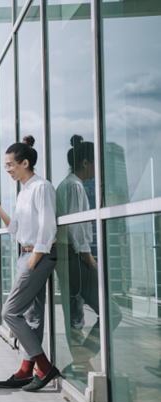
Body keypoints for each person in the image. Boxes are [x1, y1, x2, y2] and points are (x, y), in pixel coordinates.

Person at [0, 135, 60, 391]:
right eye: (6, 165)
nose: (7, 169)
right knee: (32, 316)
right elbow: (16, 228)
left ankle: (45, 366)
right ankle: (26, 371)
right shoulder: (23, 192)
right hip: (26, 254)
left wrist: (35, 257)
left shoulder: (42, 187)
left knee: (9, 312)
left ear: (25, 162)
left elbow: (48, 226)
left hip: (37, 256)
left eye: (10, 164)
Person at [55, 135, 122, 376]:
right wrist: (89, 259)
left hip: (69, 257)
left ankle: (81, 363)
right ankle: (82, 359)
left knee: (75, 314)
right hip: (76, 257)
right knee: (113, 311)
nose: (98, 169)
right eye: (96, 163)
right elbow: (76, 229)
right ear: (85, 163)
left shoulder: (69, 184)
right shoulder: (73, 186)